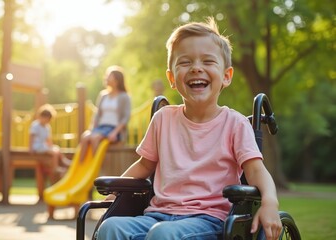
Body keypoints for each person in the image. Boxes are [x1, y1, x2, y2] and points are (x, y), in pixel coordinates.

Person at [96, 17, 282, 240]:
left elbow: (256, 171)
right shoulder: (163, 119)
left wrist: (270, 201)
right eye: (185, 62)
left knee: (162, 234)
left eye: (207, 61)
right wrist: (117, 192)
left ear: (226, 76)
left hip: (209, 219)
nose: (196, 68)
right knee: (111, 227)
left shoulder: (235, 123)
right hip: (157, 214)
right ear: (172, 78)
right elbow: (144, 164)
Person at [78, 65, 131, 163]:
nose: (106, 78)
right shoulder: (103, 95)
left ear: (116, 80)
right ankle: (80, 165)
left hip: (114, 129)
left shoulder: (124, 97)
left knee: (95, 138)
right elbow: (97, 114)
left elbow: (126, 117)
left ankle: (96, 166)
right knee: (85, 136)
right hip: (100, 128)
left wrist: (115, 132)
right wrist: (91, 129)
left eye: (109, 76)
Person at [29, 104, 67, 200]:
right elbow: (31, 137)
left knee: (56, 149)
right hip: (37, 146)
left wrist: (52, 147)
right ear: (40, 116)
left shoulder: (47, 127)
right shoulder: (35, 125)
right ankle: (55, 168)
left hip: (44, 146)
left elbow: (48, 140)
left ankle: (63, 161)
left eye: (47, 119)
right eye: (44, 118)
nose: (45, 120)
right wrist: (30, 148)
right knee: (54, 152)